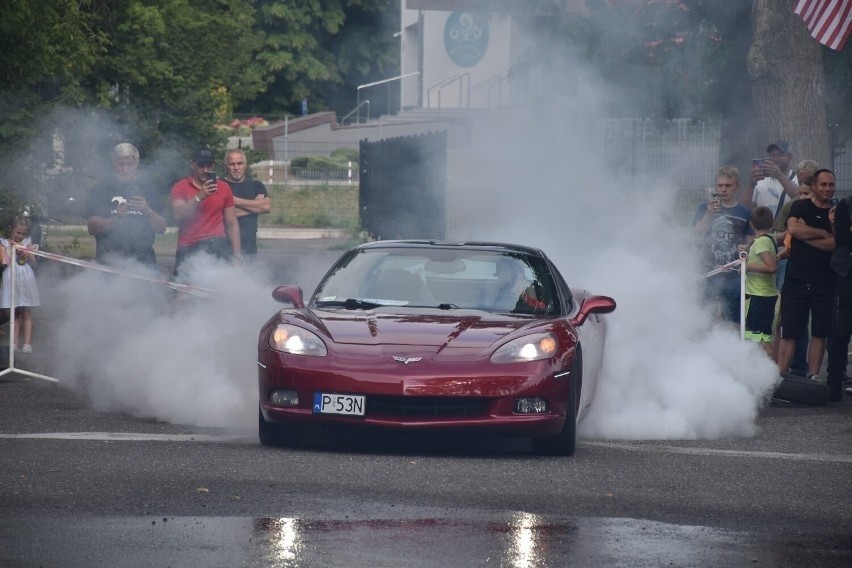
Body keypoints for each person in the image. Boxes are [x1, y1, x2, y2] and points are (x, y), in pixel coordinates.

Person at [777, 169, 836, 380]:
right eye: (823, 184)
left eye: (831, 185)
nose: (828, 189)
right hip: (796, 279)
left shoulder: (837, 212)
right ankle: (781, 376)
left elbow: (834, 244)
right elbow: (793, 229)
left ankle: (812, 375)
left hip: (824, 280)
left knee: (820, 331)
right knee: (790, 329)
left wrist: (806, 234)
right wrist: (821, 232)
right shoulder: (800, 206)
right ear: (814, 186)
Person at [85, 143, 167, 269]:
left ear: (137, 164)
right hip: (109, 262)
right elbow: (91, 227)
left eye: (130, 164)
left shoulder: (148, 188)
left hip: (144, 264)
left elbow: (161, 228)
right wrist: (116, 218)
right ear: (113, 164)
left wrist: (147, 210)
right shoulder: (102, 188)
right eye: (121, 164)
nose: (125, 169)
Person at [170, 147, 242, 277]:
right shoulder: (180, 187)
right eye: (201, 165)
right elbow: (178, 216)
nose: (205, 170)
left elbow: (232, 223)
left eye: (209, 166)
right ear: (193, 165)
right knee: (181, 293)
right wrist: (199, 196)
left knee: (218, 292)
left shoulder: (224, 187)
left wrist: (237, 256)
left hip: (217, 246)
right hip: (188, 247)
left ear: (213, 165)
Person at [693, 166, 753, 323]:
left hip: (733, 274)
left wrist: (746, 249)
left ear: (737, 186)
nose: (723, 189)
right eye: (720, 185)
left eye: (728, 185)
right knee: (703, 318)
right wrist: (708, 214)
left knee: (733, 320)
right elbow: (697, 233)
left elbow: (750, 242)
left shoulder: (744, 212)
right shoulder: (704, 208)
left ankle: (731, 346)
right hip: (708, 272)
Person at [0, 216, 40, 353]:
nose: (20, 235)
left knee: (26, 312)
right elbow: (2, 263)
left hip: (25, 277)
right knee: (15, 313)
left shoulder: (27, 242)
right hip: (11, 278)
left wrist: (28, 255)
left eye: (23, 233)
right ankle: (14, 343)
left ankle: (27, 344)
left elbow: (34, 263)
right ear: (12, 229)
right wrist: (9, 254)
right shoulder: (4, 243)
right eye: (18, 232)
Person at [826, 194, 852, 402]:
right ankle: (834, 383)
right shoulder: (845, 204)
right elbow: (842, 238)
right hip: (847, 275)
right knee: (842, 330)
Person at [223, 149, 271, 258]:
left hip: (250, 249)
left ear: (245, 165)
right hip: (224, 249)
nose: (236, 168)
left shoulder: (256, 185)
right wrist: (255, 206)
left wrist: (236, 201)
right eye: (232, 164)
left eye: (239, 163)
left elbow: (267, 206)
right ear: (225, 166)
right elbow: (222, 215)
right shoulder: (220, 186)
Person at [744, 206, 778, 357]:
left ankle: (769, 373)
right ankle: (757, 372)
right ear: (772, 222)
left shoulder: (761, 243)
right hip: (756, 294)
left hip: (761, 296)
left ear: (751, 224)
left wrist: (747, 266)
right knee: (752, 336)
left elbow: (771, 267)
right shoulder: (767, 240)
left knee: (762, 338)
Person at [739, 140, 799, 212]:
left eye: (780, 155)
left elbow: (802, 201)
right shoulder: (760, 180)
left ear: (790, 156)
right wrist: (751, 185)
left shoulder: (798, 179)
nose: (775, 158)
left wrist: (779, 175)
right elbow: (742, 210)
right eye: (772, 155)